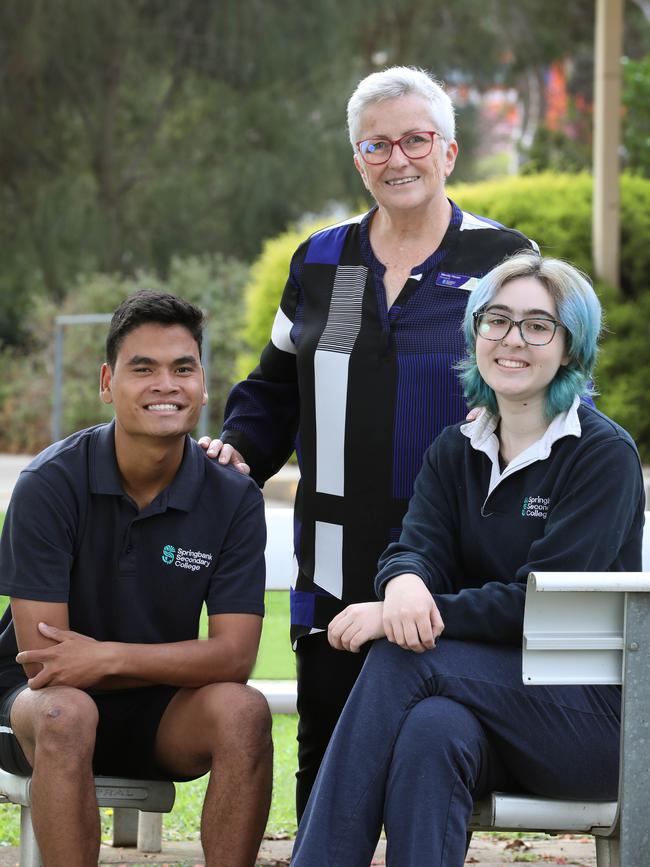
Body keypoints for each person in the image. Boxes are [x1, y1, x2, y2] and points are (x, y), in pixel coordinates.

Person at [202, 65, 538, 816]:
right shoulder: (321, 260)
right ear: (357, 160)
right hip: (335, 559)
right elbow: (276, 387)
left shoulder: (503, 260)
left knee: (431, 756)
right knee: (327, 768)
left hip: (456, 561)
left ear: (448, 152)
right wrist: (236, 451)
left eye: (416, 140)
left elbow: (548, 392)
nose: (398, 159)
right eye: (377, 145)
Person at [290, 252, 645, 866]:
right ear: (475, 330)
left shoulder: (601, 456)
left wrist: (394, 618)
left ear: (571, 347)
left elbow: (536, 604)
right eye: (497, 319)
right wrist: (402, 582)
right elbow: (416, 545)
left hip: (587, 726)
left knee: (402, 659)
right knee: (432, 732)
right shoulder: (456, 449)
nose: (512, 339)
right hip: (486, 712)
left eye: (539, 325)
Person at [0, 291, 273, 867]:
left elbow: (234, 657)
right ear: (107, 382)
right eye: (142, 368)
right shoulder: (49, 484)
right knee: (66, 713)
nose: (165, 384)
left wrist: (108, 659)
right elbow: (47, 662)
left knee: (243, 711)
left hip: (161, 710)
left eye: (182, 368)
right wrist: (102, 666)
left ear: (202, 384)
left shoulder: (232, 496)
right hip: (40, 708)